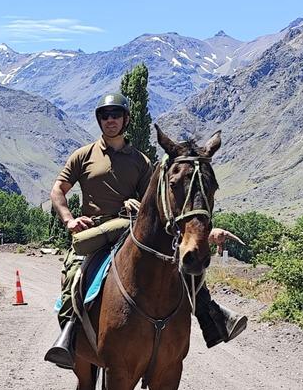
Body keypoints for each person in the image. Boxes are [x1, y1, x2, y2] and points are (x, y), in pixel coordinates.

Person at [45, 93, 247, 368]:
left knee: (183, 268)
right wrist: (69, 220)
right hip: (94, 231)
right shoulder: (83, 155)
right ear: (99, 120)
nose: (110, 120)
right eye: (105, 115)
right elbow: (58, 190)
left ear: (126, 119)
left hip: (130, 227)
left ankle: (211, 316)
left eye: (116, 115)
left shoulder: (140, 161)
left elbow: (155, 202)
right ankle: (69, 336)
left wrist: (138, 205)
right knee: (74, 274)